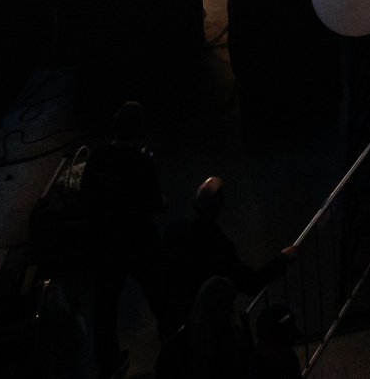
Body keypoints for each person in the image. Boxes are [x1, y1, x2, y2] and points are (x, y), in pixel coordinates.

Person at [81, 101, 167, 371]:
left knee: (104, 307)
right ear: (139, 130)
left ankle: (107, 362)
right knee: (159, 295)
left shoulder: (96, 158)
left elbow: (86, 199)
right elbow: (154, 204)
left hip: (106, 243)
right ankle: (174, 344)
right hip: (138, 241)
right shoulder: (141, 163)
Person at [159, 178, 293, 346]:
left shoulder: (175, 231)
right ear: (219, 206)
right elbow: (250, 283)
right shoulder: (218, 245)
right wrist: (282, 259)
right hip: (203, 331)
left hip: (173, 324)